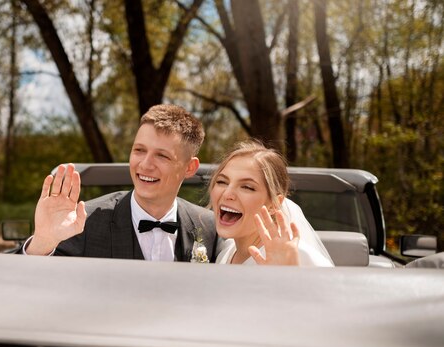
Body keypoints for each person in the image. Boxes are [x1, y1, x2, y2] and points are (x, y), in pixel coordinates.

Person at [23, 104, 218, 261]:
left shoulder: (209, 226)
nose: (145, 164)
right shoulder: (84, 221)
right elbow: (26, 287)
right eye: (139, 150)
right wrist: (43, 241)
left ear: (189, 168)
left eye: (162, 156)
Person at [209, 140, 334, 266]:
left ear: (274, 204)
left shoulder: (297, 255)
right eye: (222, 182)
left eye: (247, 187)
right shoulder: (225, 254)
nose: (226, 194)